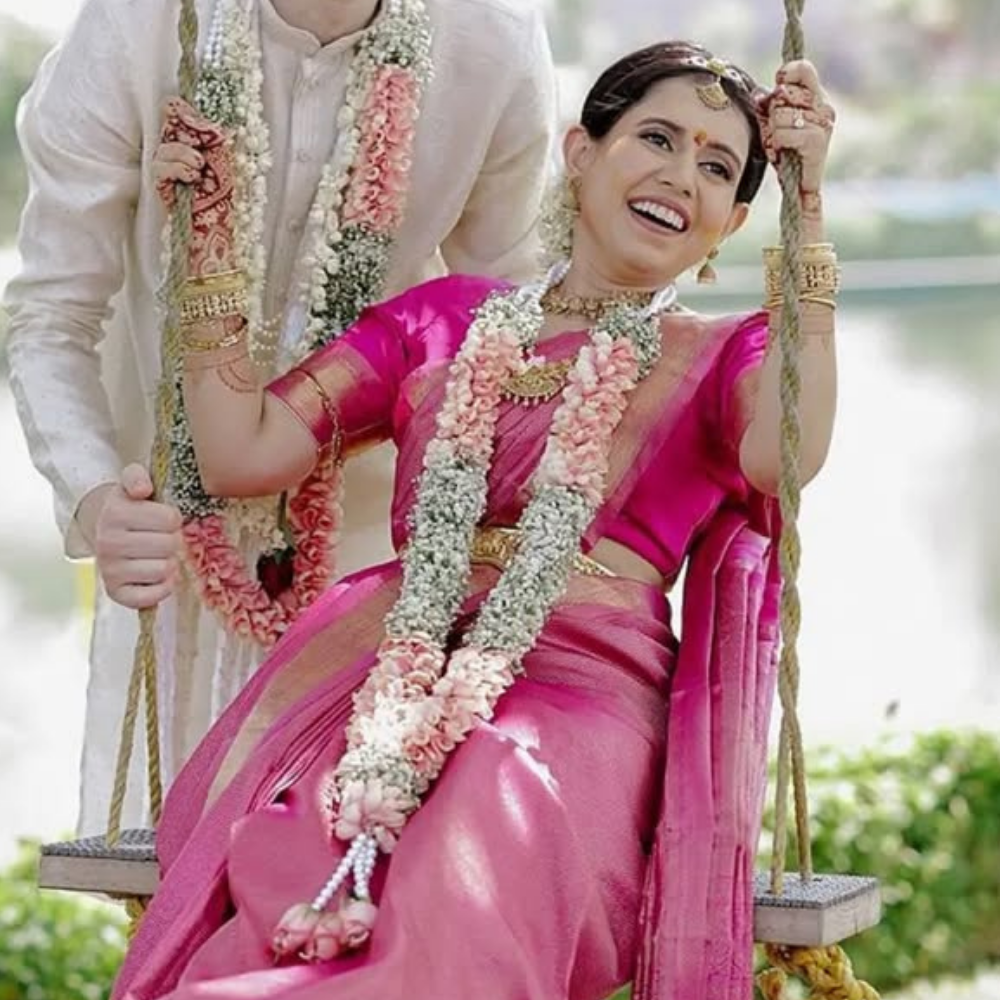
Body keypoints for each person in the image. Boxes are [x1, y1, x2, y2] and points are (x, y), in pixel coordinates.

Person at [114, 39, 838, 1000]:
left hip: (582, 698)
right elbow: (240, 453)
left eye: (716, 167)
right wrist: (206, 233)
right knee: (297, 842)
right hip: (387, 674)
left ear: (735, 220)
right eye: (655, 137)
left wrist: (814, 209)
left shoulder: (724, 354)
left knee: (484, 820)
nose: (680, 175)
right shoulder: (441, 324)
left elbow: (790, 454)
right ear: (581, 150)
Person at [3, 0, 557, 832]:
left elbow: (512, 329)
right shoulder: (140, 23)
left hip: (379, 569)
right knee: (163, 891)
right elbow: (52, 313)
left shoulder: (491, 44)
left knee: (338, 888)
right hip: (164, 543)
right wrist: (94, 499)